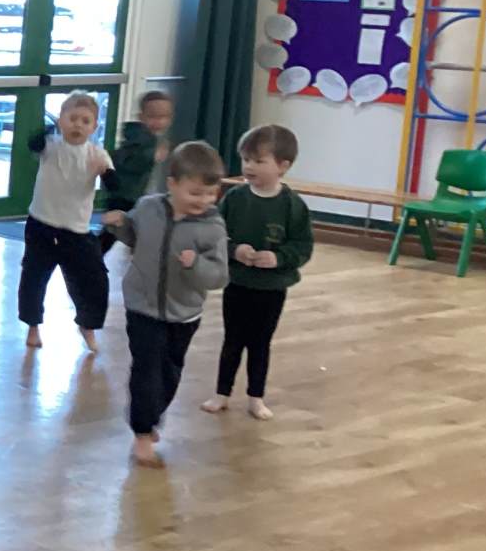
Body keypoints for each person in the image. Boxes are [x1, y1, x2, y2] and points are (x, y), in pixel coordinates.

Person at [102, 141, 229, 467]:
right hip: (142, 307)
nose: (203, 200)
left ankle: (152, 415)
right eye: (195, 192)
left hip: (184, 314)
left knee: (170, 371)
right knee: (146, 367)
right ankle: (142, 433)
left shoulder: (212, 228)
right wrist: (120, 225)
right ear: (172, 183)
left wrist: (195, 264)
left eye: (210, 193)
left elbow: (218, 276)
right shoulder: (148, 208)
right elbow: (134, 236)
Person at [204, 124, 313, 421]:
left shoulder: (292, 206)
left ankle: (256, 396)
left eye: (259, 161)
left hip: (272, 289)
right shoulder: (235, 199)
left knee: (260, 343)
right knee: (232, 340)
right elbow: (214, 234)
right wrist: (234, 250)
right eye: (246, 160)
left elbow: (303, 247)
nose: (249, 166)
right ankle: (222, 393)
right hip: (238, 283)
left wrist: (278, 258)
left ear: (282, 166)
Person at [19, 91, 114, 352]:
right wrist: (46, 129)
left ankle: (87, 325)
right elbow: (33, 144)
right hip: (41, 225)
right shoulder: (50, 146)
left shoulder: (97, 155)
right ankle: (33, 326)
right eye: (72, 119)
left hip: (76, 232)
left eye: (85, 121)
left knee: (94, 280)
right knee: (34, 278)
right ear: (61, 120)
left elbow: (113, 183)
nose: (77, 125)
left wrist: (105, 174)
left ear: (94, 127)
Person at [101, 89, 175, 252]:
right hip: (125, 196)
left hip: (136, 196)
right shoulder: (139, 138)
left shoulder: (154, 139)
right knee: (114, 234)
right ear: (142, 117)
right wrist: (152, 156)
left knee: (123, 234)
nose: (159, 122)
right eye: (153, 117)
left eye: (164, 117)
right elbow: (127, 161)